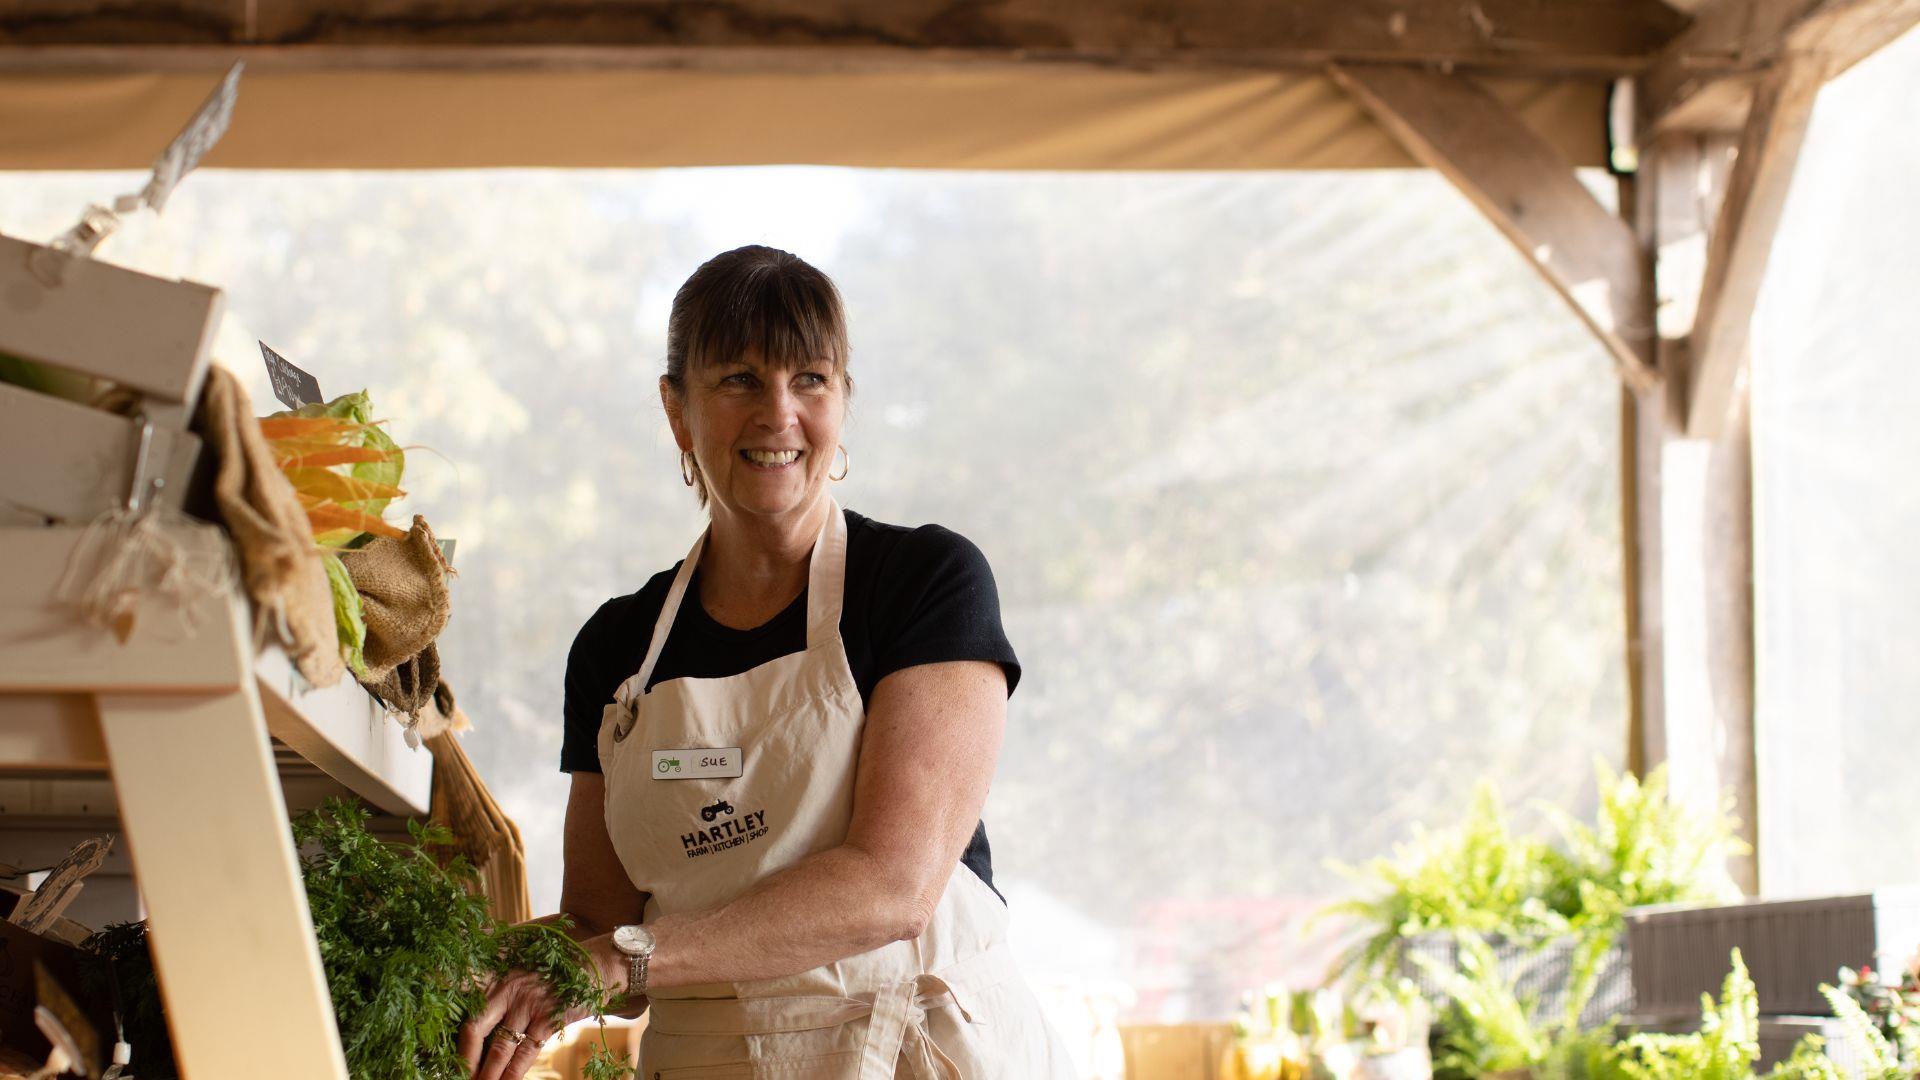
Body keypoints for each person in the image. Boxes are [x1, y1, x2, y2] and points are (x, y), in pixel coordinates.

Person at [462, 245, 1078, 1079]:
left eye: (811, 379)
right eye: (739, 380)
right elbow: (599, 926)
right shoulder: (617, 647)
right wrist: (470, 974)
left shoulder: (924, 583)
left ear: (844, 400)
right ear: (677, 410)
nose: (778, 413)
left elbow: (892, 887)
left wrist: (625, 956)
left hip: (913, 1051)